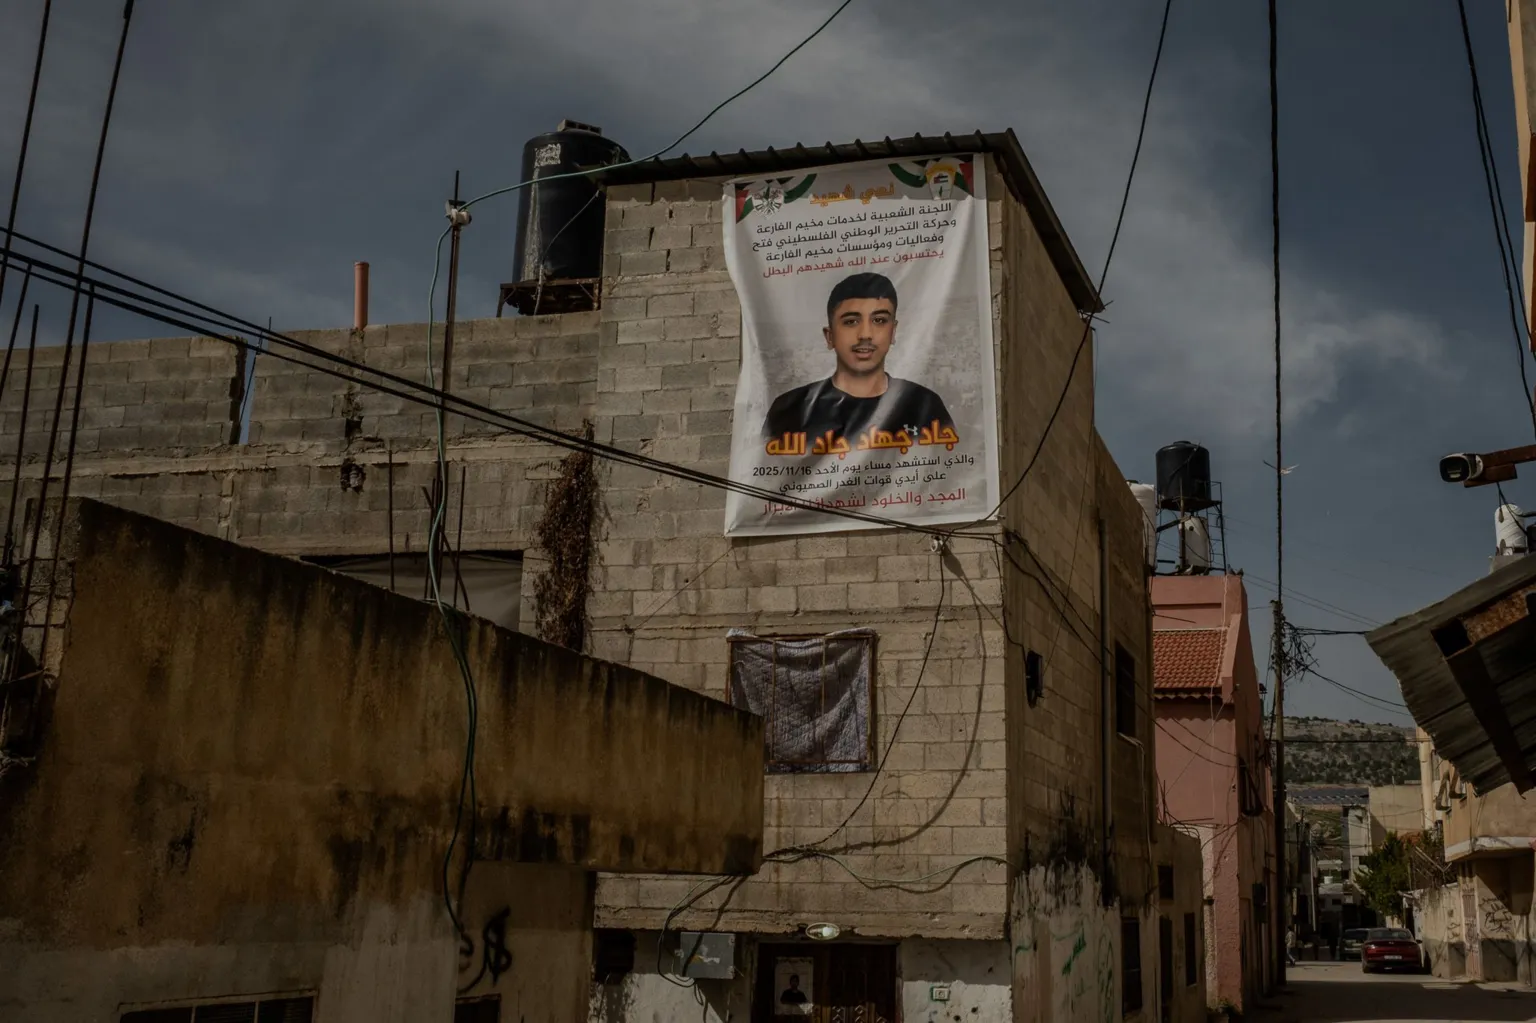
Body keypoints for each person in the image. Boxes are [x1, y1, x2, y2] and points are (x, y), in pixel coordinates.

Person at [762, 272, 954, 444]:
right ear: (830, 336)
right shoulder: (789, 410)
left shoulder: (925, 406)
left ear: (893, 332)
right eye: (851, 322)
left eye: (879, 320)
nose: (865, 334)